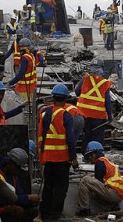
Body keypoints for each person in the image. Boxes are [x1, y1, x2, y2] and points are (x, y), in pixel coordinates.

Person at [38, 84, 78, 221]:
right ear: (65, 99)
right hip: (62, 158)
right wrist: (74, 158)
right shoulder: (66, 116)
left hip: (48, 158)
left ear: (53, 98)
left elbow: (41, 136)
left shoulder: (44, 114)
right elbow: (71, 139)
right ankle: (55, 215)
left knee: (48, 186)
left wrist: (41, 155)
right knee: (60, 188)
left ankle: (45, 214)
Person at [76, 141, 123, 216]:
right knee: (91, 189)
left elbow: (98, 181)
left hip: (112, 193)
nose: (90, 158)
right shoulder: (107, 162)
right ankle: (112, 206)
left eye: (90, 155)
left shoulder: (99, 162)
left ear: (95, 153)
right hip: (117, 194)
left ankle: (84, 210)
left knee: (85, 180)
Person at [75, 59, 112, 159]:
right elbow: (107, 102)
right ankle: (98, 157)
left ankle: (86, 155)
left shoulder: (85, 79)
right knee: (98, 136)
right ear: (102, 69)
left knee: (86, 134)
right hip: (98, 116)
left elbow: (77, 92)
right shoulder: (105, 83)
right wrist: (110, 116)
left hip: (83, 114)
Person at [0, 148, 39, 222]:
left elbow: (20, 193)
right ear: (10, 164)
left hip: (11, 205)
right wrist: (27, 197)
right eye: (17, 168)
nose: (18, 172)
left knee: (33, 210)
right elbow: (10, 199)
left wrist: (31, 201)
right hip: (0, 211)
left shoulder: (13, 177)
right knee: (18, 211)